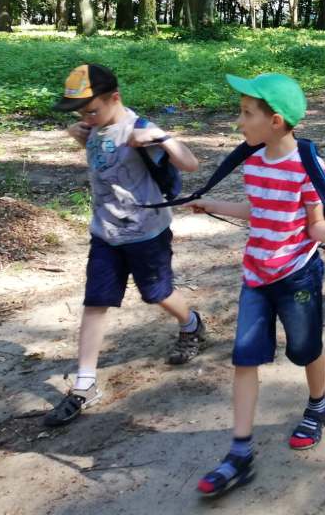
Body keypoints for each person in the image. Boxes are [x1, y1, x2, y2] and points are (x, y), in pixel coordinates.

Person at [192, 73, 325, 496]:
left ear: (275, 121)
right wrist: (209, 202)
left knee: (304, 350)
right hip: (255, 275)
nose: (239, 122)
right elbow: (257, 210)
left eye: (246, 113)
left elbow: (315, 225)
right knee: (244, 359)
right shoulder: (253, 161)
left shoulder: (305, 165)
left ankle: (318, 404)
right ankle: (239, 452)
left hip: (296, 275)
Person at [44, 64, 203, 427]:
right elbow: (97, 147)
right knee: (95, 302)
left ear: (115, 98)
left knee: (158, 293)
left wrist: (161, 138)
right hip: (105, 234)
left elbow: (191, 164)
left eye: (92, 110)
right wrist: (77, 132)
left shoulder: (139, 130)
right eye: (81, 113)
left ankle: (191, 323)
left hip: (147, 234)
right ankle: (85, 384)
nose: (87, 118)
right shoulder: (93, 128)